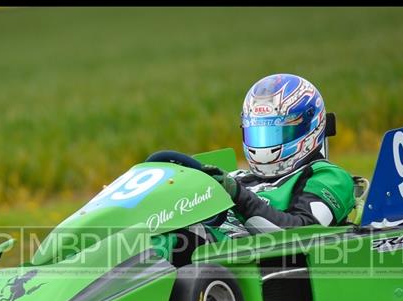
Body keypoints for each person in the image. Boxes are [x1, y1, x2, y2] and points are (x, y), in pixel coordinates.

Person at [149, 73, 355, 238]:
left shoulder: (329, 178)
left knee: (172, 245)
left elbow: (301, 235)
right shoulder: (238, 177)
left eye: (276, 132)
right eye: (257, 134)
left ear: (309, 127)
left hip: (262, 273)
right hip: (204, 256)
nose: (264, 145)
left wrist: (238, 196)